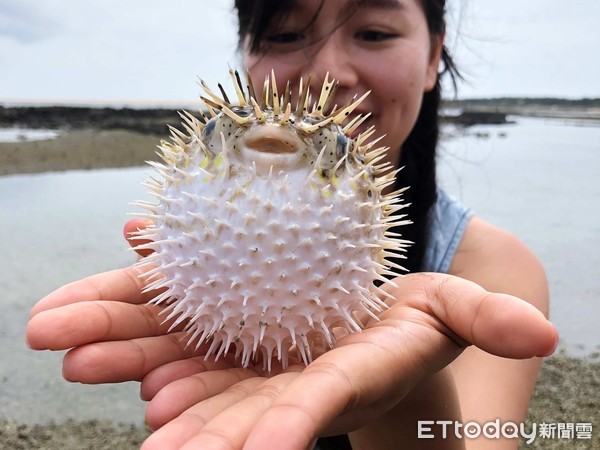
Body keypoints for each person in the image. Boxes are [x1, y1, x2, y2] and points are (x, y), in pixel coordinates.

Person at [26, 1, 558, 449]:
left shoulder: (498, 272)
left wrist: (408, 388)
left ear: (433, 56)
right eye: (284, 34)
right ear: (245, 55)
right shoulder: (189, 245)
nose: (329, 75)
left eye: (373, 33)